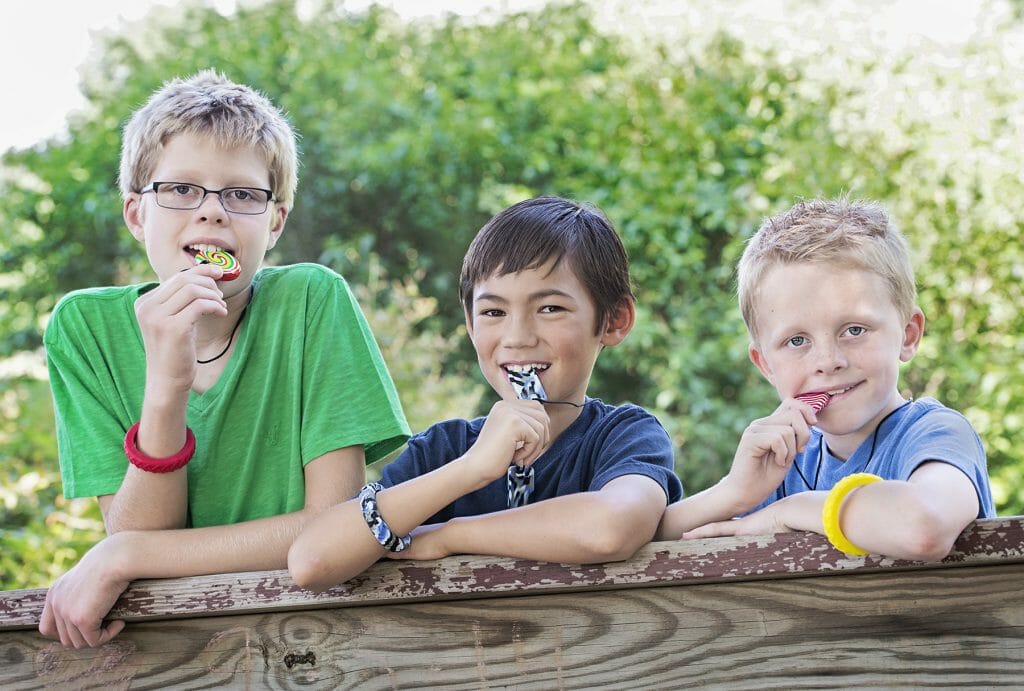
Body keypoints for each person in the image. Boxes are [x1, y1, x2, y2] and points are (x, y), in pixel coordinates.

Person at [39, 70, 410, 647]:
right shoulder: (83, 328)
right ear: (138, 214)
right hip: (162, 644)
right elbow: (140, 530)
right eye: (181, 190)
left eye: (242, 195)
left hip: (314, 633)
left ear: (275, 221)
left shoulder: (313, 302)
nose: (212, 213)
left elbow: (332, 527)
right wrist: (167, 383)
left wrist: (124, 552)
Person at [288, 196, 684, 590]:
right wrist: (471, 469)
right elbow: (312, 561)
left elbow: (610, 528)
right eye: (494, 312)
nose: (517, 338)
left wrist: (450, 535)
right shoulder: (442, 451)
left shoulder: (626, 436)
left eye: (549, 309)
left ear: (614, 320)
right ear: (471, 325)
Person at [658, 197, 995, 560]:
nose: (828, 362)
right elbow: (639, 542)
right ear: (765, 364)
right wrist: (735, 491)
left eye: (854, 329)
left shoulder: (936, 433)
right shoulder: (784, 464)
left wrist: (788, 511)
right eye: (796, 341)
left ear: (908, 334)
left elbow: (923, 528)